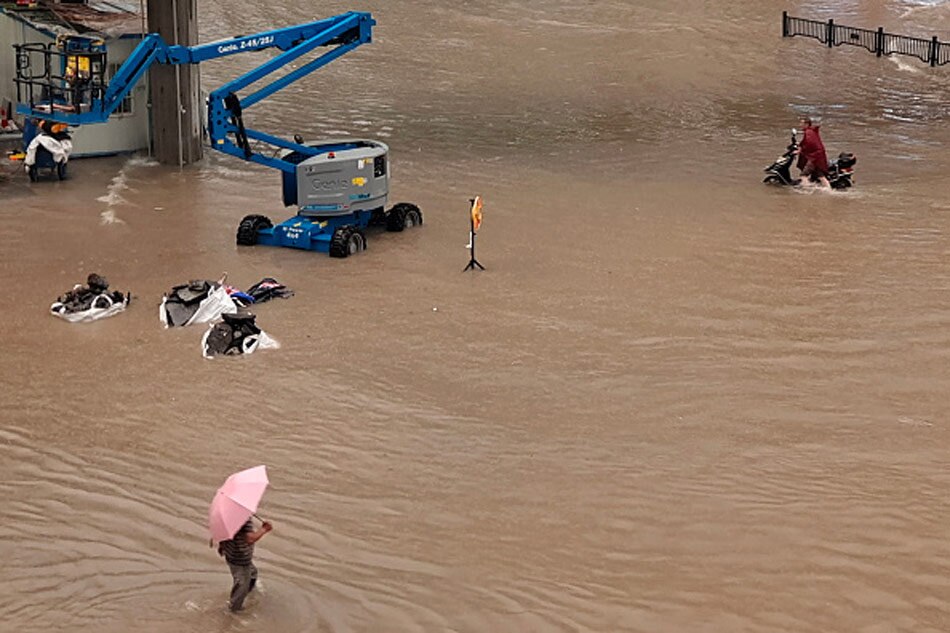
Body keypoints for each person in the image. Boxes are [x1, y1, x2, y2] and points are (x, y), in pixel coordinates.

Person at [218, 518, 273, 611]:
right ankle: (234, 609)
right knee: (242, 585)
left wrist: (222, 545)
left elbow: (224, 531)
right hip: (241, 558)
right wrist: (264, 529)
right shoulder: (244, 519)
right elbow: (250, 539)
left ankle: (248, 591)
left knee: (252, 573)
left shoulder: (228, 517)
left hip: (231, 554)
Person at [796, 116, 830, 188]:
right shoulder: (811, 131)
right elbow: (808, 142)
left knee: (803, 175)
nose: (800, 125)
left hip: (814, 157)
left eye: (802, 123)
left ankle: (807, 190)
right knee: (820, 175)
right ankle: (829, 190)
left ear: (807, 124)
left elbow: (809, 144)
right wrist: (800, 145)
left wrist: (800, 150)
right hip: (818, 156)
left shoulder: (808, 132)